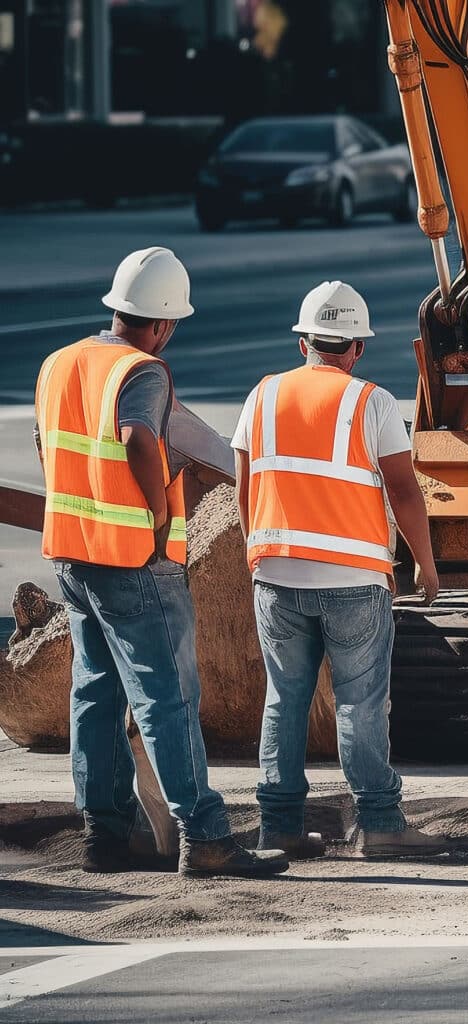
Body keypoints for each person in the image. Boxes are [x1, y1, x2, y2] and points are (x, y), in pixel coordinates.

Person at [35, 247, 288, 877]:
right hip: (133, 562)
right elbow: (138, 438)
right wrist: (153, 513)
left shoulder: (58, 363)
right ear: (165, 323)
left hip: (74, 555)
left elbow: (45, 442)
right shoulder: (141, 372)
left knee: (93, 694)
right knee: (166, 698)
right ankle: (203, 834)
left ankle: (105, 834)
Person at [232, 280, 446, 858]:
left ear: (304, 342)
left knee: (285, 699)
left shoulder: (262, 395)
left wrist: (258, 550)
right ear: (357, 349)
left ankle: (278, 825)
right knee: (359, 703)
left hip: (276, 577)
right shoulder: (371, 402)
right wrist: (424, 565)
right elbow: (404, 490)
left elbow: (243, 479)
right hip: (353, 581)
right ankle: (378, 823)